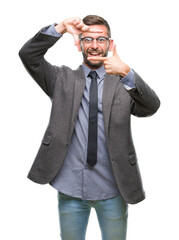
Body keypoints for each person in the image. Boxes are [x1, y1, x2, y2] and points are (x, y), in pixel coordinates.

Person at [19, 15, 160, 240]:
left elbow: (151, 107)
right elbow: (28, 55)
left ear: (109, 44)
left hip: (113, 190)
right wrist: (61, 28)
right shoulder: (60, 79)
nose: (94, 45)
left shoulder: (123, 84)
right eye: (88, 40)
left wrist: (126, 72)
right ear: (80, 44)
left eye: (101, 39)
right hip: (71, 189)